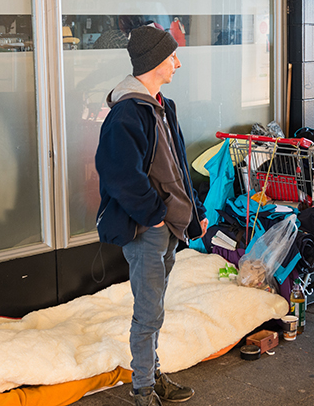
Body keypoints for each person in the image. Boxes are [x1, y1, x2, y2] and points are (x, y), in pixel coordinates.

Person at [95, 23, 208, 406]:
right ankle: (143, 390)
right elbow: (118, 174)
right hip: (148, 229)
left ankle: (152, 375)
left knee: (154, 310)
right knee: (148, 314)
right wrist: (154, 215)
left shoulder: (161, 106)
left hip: (169, 226)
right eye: (172, 56)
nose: (178, 63)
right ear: (155, 61)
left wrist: (195, 214)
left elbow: (176, 167)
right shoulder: (127, 113)